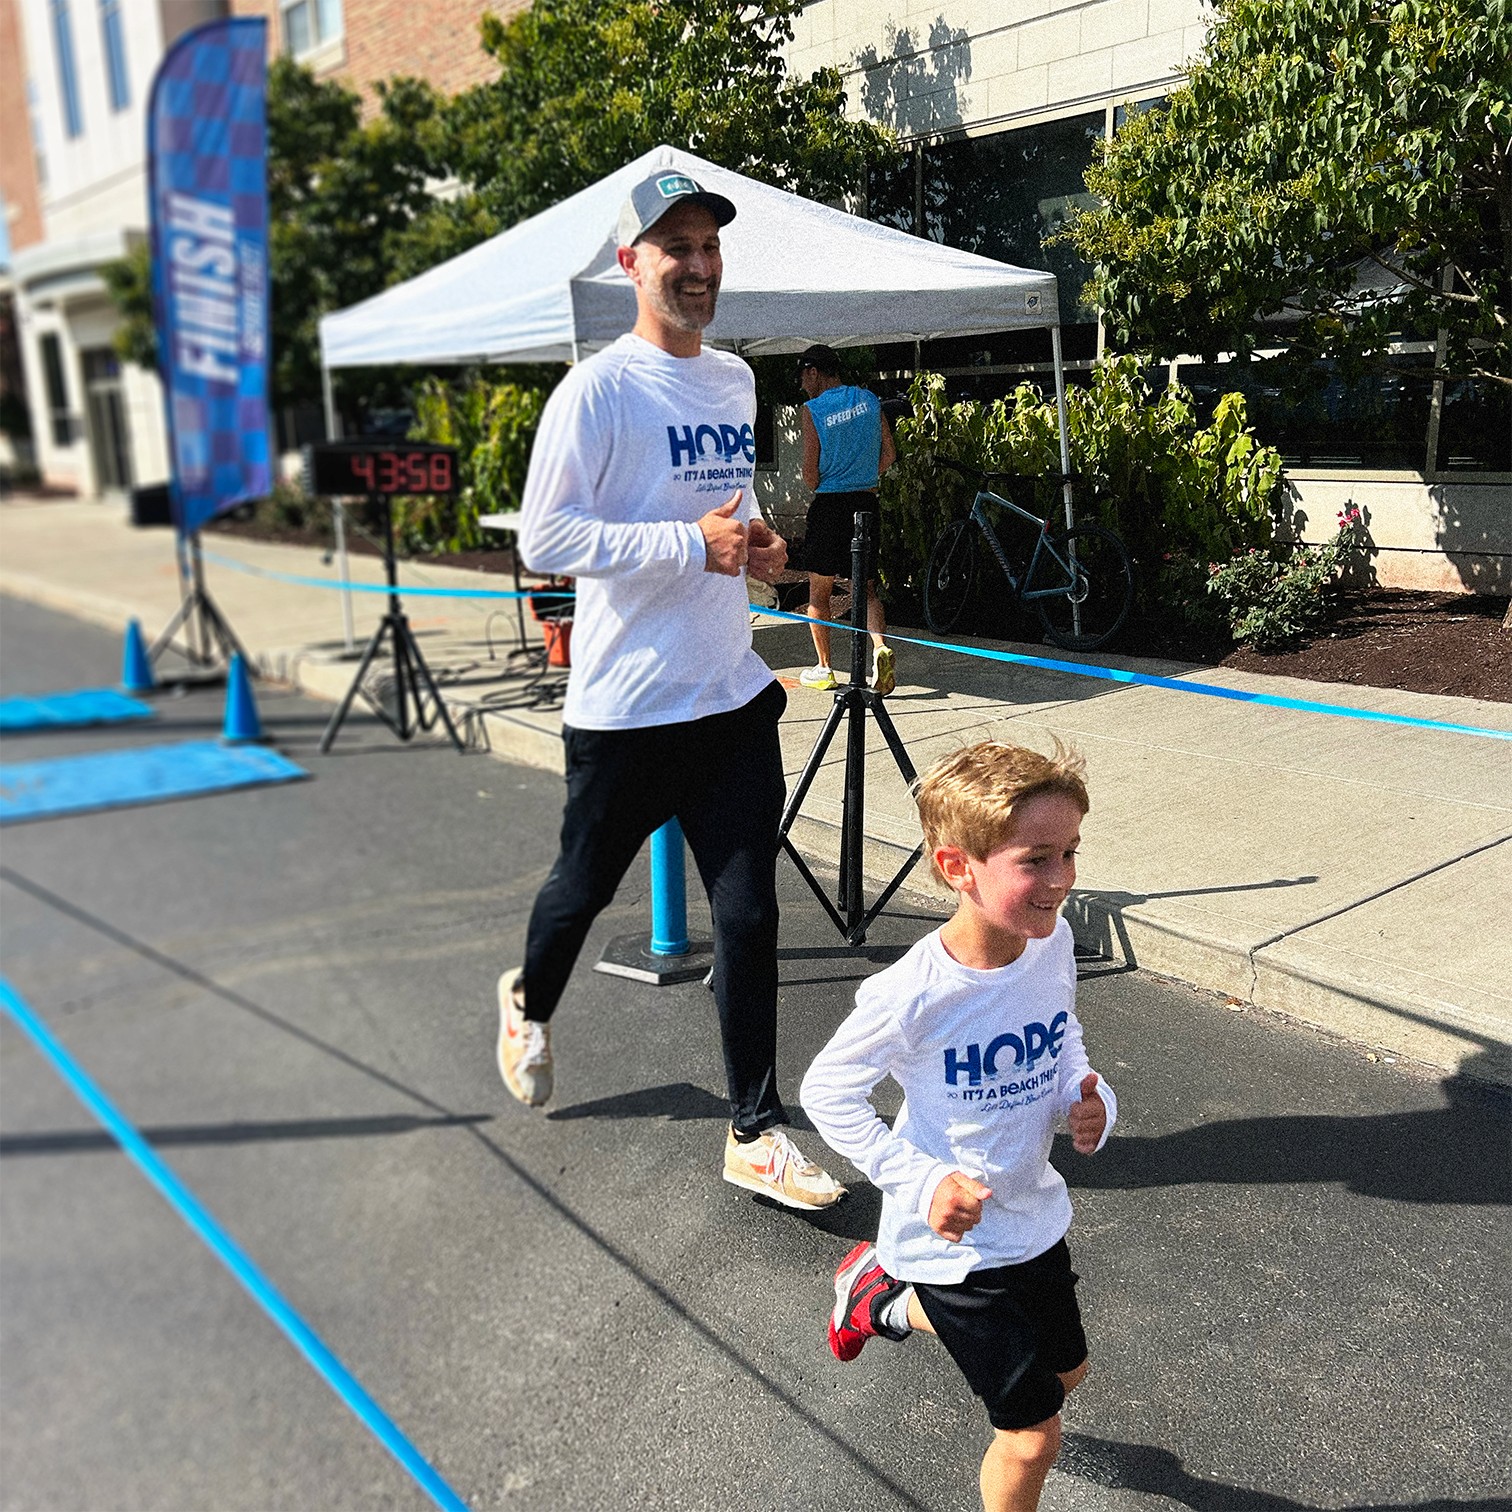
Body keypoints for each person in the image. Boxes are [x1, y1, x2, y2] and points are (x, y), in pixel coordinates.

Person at [496, 170, 845, 1213]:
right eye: (673, 248)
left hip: (728, 698)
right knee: (576, 894)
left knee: (748, 917)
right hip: (627, 710)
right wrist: (686, 544)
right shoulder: (596, 391)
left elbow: (724, 517)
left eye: (708, 247)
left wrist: (759, 552)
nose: (696, 267)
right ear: (630, 265)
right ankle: (527, 1003)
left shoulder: (734, 383)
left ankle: (754, 1130)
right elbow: (546, 539)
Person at [800, 741, 1116, 1511]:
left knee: (1068, 1375)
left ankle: (878, 1301)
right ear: (957, 868)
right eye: (1035, 859)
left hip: (1029, 1213)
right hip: (949, 1242)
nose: (1062, 879)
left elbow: (1062, 1028)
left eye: (1070, 852)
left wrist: (1087, 1091)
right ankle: (897, 1288)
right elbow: (826, 1090)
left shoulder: (1054, 943)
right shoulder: (912, 993)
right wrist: (922, 1178)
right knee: (1034, 1436)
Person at [795, 343, 898, 696]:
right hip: (866, 502)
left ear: (813, 371)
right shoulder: (869, 400)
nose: (802, 385)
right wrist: (864, 475)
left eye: (803, 376)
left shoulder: (812, 410)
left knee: (819, 592)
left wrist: (828, 478)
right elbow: (890, 453)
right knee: (866, 588)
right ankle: (880, 649)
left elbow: (810, 474)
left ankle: (824, 668)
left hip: (829, 506)